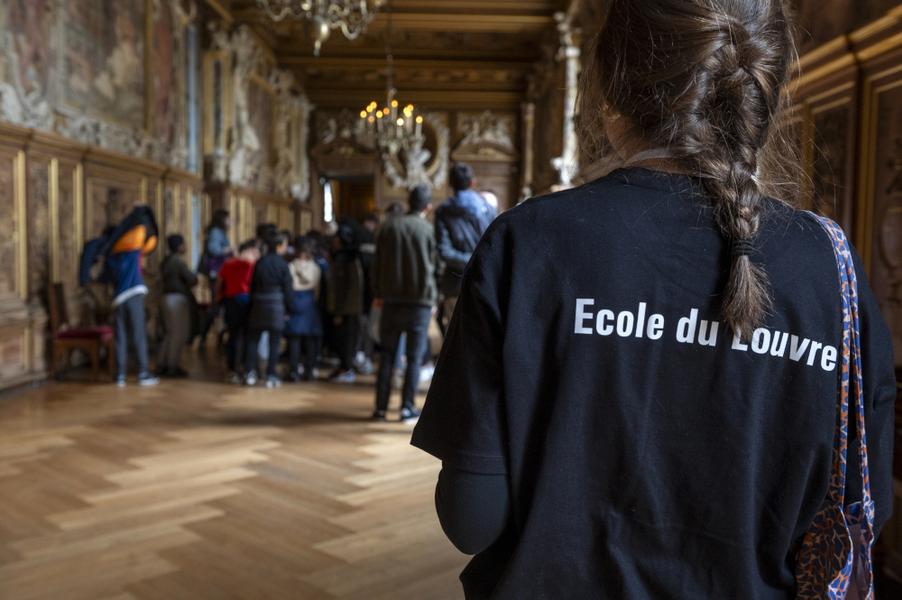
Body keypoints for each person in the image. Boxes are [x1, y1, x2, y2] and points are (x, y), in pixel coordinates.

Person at [411, 1, 897, 598]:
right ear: (766, 91)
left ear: (610, 89)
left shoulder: (528, 243)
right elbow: (863, 507)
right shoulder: (833, 271)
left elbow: (472, 518)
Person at [371, 185, 437, 423]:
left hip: (390, 300)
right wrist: (434, 298)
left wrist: (378, 293)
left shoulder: (388, 227)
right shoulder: (428, 229)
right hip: (420, 302)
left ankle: (380, 408)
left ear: (409, 202)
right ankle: (407, 408)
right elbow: (435, 266)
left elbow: (376, 265)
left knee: (387, 356)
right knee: (414, 358)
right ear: (428, 207)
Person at [434, 163, 495, 334]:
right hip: (484, 281)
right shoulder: (488, 208)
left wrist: (469, 260)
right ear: (473, 182)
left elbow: (444, 251)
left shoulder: (443, 211)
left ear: (450, 184)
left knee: (454, 337)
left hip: (455, 282)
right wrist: (478, 261)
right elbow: (494, 246)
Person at [103, 205, 160, 387]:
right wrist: (139, 211)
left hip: (118, 297)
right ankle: (143, 373)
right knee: (138, 334)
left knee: (120, 336)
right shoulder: (131, 251)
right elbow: (143, 229)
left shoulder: (110, 257)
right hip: (133, 293)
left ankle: (120, 375)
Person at [244, 232, 292, 388]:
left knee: (253, 340)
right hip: (276, 304)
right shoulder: (282, 264)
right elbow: (287, 288)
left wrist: (251, 304)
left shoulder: (260, 262)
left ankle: (250, 372)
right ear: (279, 246)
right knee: (274, 342)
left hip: (258, 303)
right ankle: (271, 374)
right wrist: (289, 308)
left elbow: (252, 285)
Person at [326, 223, 365, 383]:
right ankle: (344, 366)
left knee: (347, 340)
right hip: (345, 308)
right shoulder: (344, 258)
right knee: (342, 340)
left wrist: (340, 311)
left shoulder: (347, 259)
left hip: (347, 309)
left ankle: (346, 368)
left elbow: (348, 289)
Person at [218, 240, 261, 384]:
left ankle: (232, 369)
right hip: (247, 301)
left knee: (233, 336)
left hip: (230, 301)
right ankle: (247, 367)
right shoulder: (251, 265)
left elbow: (220, 282)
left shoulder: (228, 263)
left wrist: (218, 299)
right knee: (249, 336)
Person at [157, 234, 198, 377]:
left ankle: (162, 364)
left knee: (169, 333)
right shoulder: (177, 261)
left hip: (166, 297)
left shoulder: (166, 261)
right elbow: (192, 279)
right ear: (179, 246)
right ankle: (172, 366)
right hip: (176, 299)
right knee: (178, 334)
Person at [285, 236, 323, 382]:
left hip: (295, 300)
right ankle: (309, 370)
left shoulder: (290, 266)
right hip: (309, 302)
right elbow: (317, 288)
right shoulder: (315, 267)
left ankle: (294, 370)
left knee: (294, 339)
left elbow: (289, 286)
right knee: (310, 340)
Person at [198, 209, 233, 346]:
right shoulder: (216, 232)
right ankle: (205, 334)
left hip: (218, 273)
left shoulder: (216, 232)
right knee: (217, 305)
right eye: (228, 219)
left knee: (219, 305)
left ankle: (213, 335)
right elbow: (214, 250)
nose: (230, 221)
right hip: (217, 273)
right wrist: (229, 250)